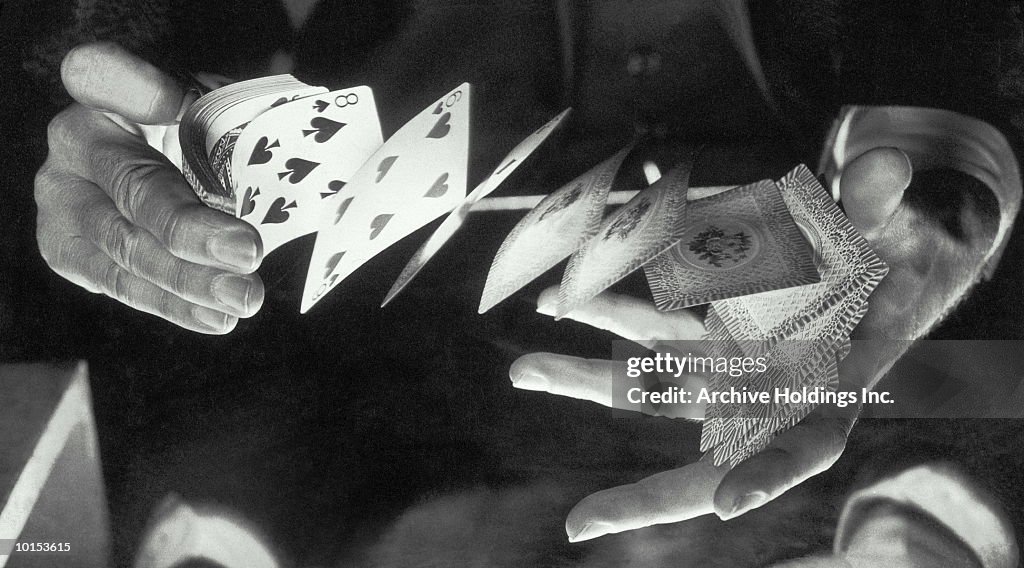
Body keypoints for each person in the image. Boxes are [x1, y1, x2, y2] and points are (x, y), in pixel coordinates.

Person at [25, 0, 1024, 561]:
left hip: (853, 418)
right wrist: (139, 119)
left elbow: (950, 112)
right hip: (412, 407)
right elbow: (132, 48)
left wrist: (925, 225)